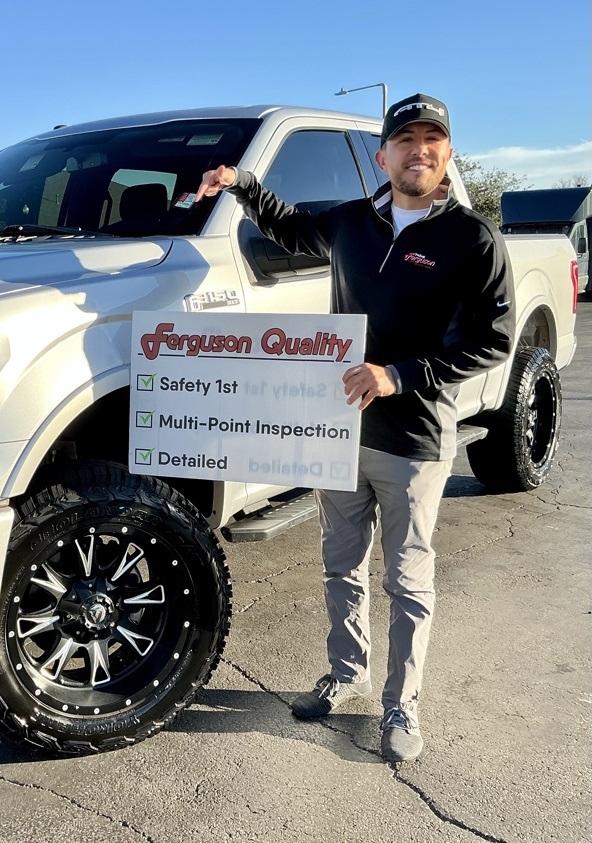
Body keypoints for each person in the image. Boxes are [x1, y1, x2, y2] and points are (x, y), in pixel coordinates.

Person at [195, 93, 514, 763]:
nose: (418, 150)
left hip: (415, 438)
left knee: (407, 578)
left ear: (448, 154)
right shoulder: (349, 223)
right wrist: (241, 183)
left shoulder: (472, 239)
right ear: (383, 154)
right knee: (341, 567)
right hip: (338, 433)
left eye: (432, 139)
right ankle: (345, 674)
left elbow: (494, 341)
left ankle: (403, 702)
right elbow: (287, 227)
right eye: (405, 139)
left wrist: (401, 374)